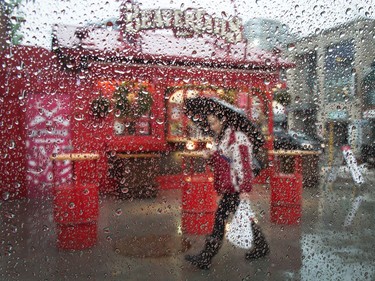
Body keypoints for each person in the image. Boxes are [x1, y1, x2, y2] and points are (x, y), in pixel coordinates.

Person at [184, 111, 270, 270]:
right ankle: (261, 246)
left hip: (235, 187)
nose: (212, 126)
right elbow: (223, 162)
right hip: (230, 186)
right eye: (210, 123)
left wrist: (244, 188)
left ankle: (207, 256)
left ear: (223, 121)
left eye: (214, 123)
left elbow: (243, 164)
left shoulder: (237, 138)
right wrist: (210, 155)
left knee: (220, 219)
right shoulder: (223, 139)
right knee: (244, 217)